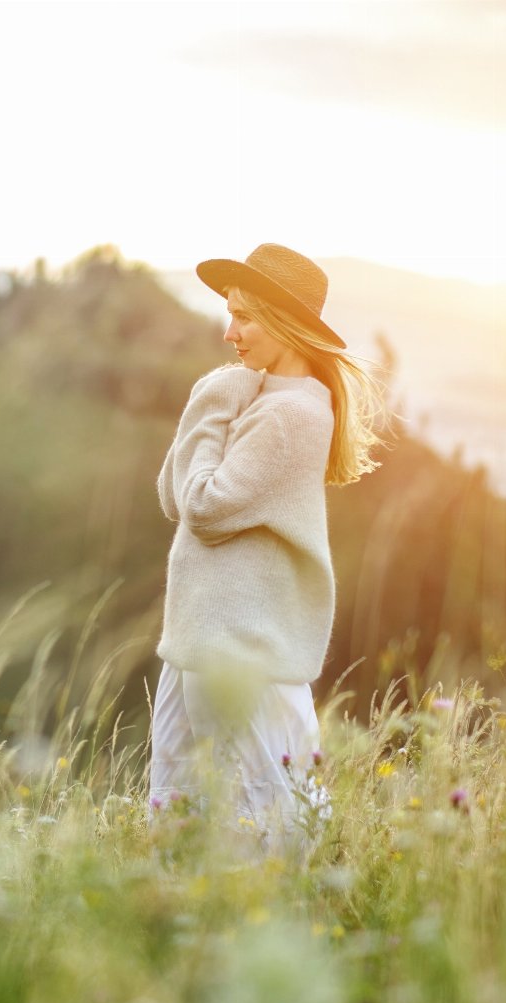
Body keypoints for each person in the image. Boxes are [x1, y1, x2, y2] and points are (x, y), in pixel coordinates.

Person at [150, 243, 383, 854]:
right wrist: (218, 404)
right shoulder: (253, 398)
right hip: (201, 639)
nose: (230, 333)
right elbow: (173, 496)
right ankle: (183, 930)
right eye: (229, 315)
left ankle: (263, 928)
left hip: (238, 647)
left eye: (244, 317)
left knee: (262, 815)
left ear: (283, 323)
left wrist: (209, 401)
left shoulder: (290, 415)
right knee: (184, 806)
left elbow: (199, 507)